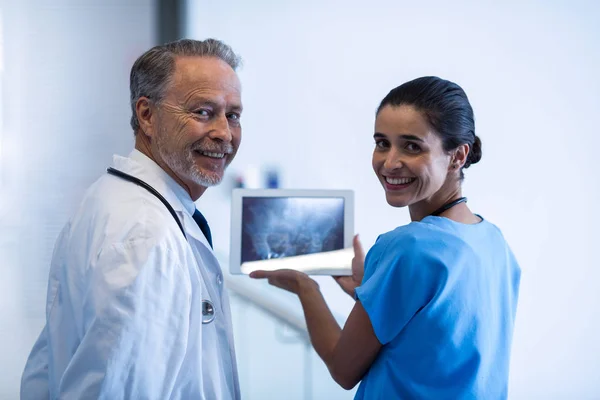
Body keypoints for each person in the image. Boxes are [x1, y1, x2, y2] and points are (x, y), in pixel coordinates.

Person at [251, 76, 521, 399]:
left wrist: (304, 287)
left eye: (412, 146)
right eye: (382, 143)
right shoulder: (493, 241)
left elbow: (343, 368)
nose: (390, 163)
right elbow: (438, 336)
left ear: (458, 156)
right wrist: (373, 289)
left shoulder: (407, 248)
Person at [21, 38, 243, 399]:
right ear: (147, 115)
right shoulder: (146, 234)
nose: (224, 133)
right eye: (203, 112)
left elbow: (43, 371)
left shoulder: (112, 201)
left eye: (232, 115)